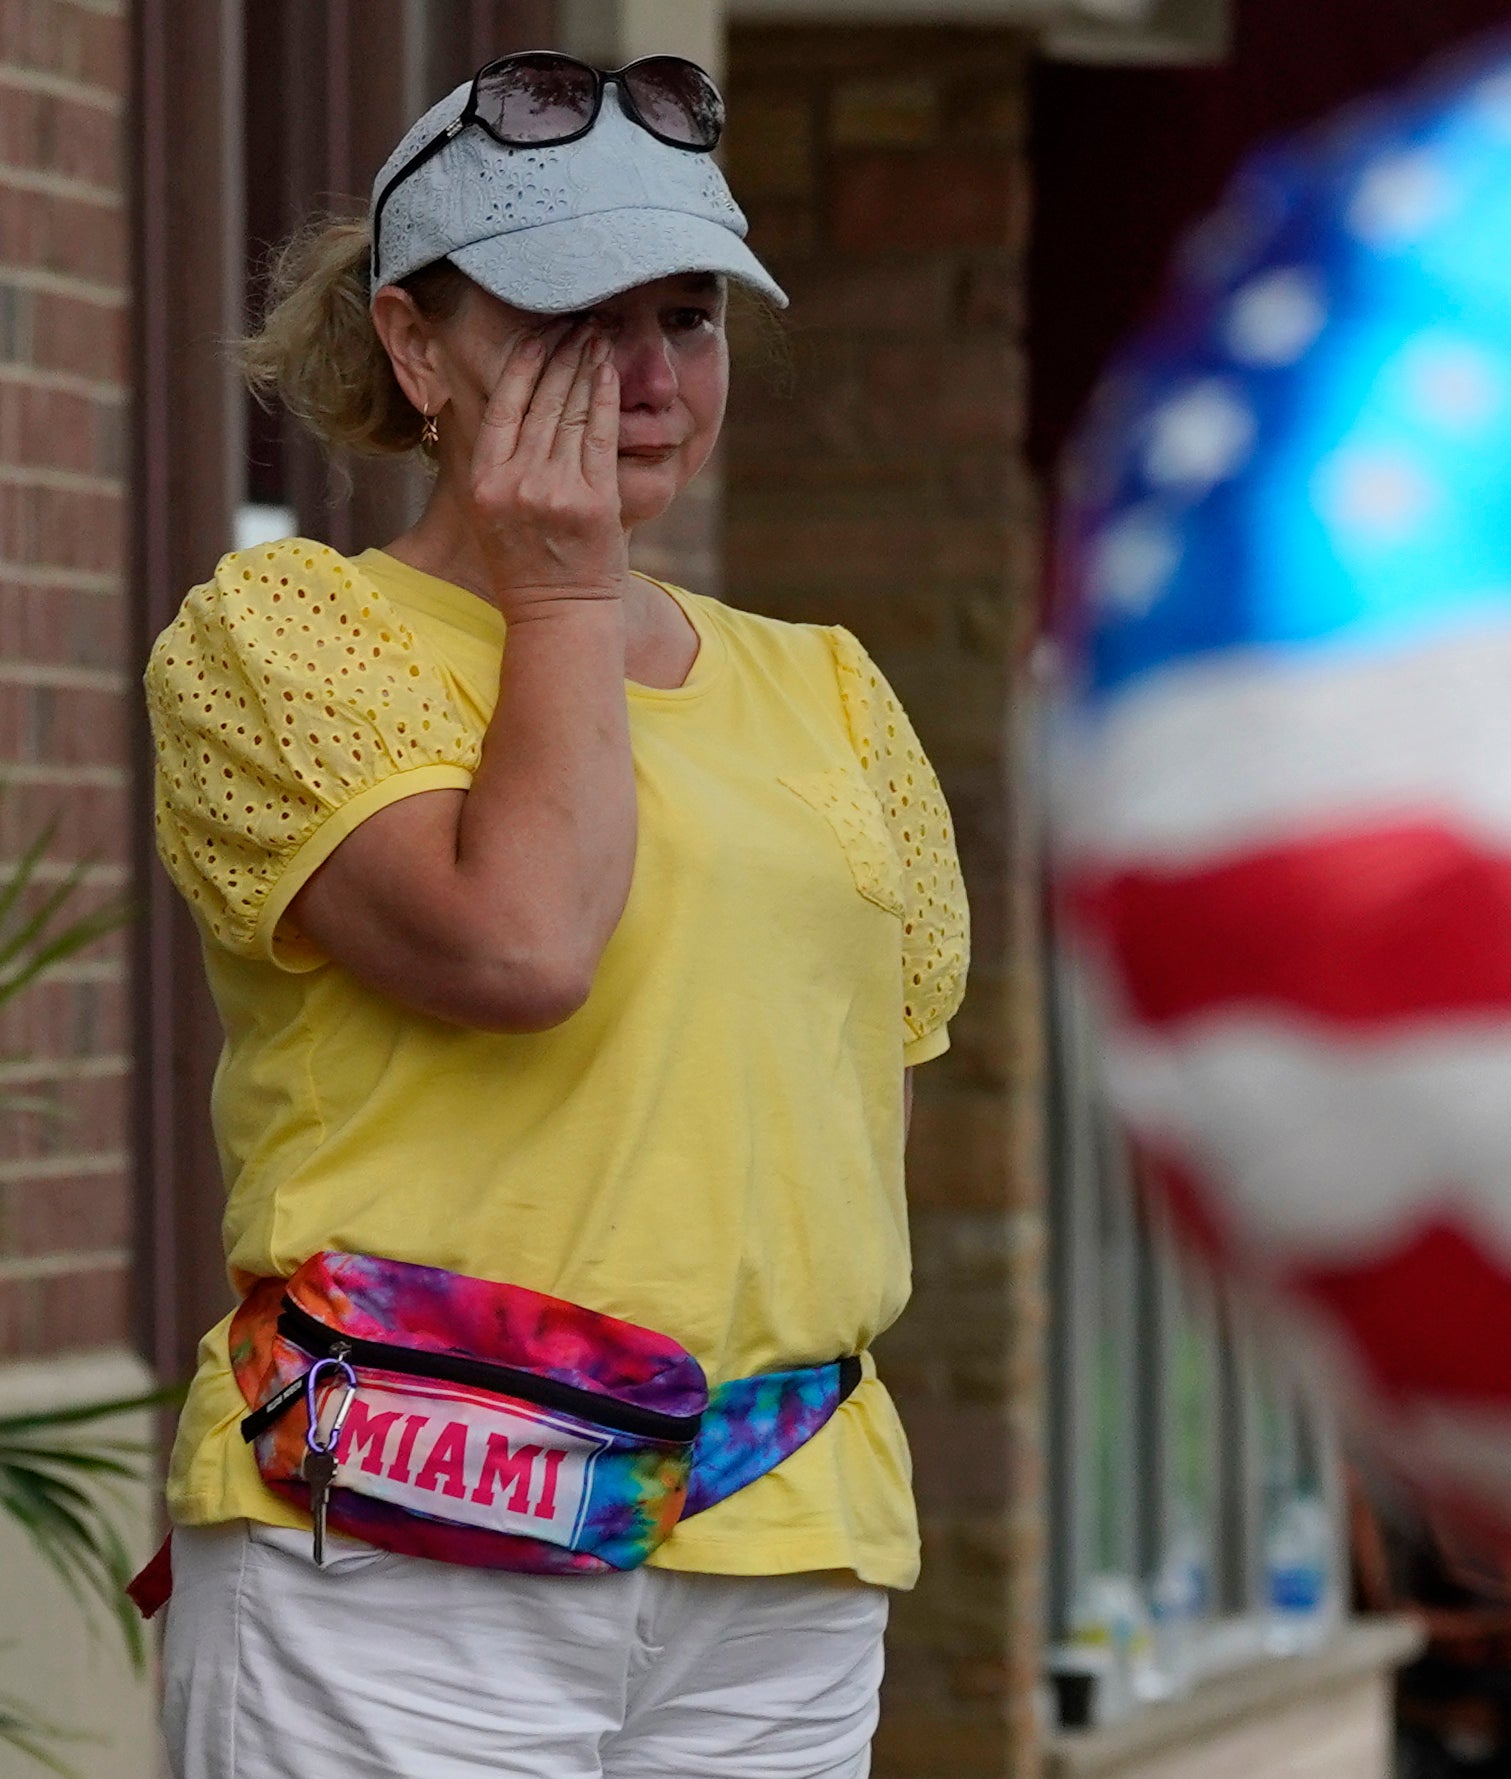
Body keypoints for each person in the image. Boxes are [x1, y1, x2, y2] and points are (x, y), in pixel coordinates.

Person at [142, 52, 967, 1779]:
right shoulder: (282, 636)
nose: (649, 377)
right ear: (416, 345)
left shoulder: (830, 689)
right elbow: (518, 949)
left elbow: (846, 1125)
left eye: (692, 315)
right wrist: (569, 587)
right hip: (394, 1540)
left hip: (779, 1546)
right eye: (575, 318)